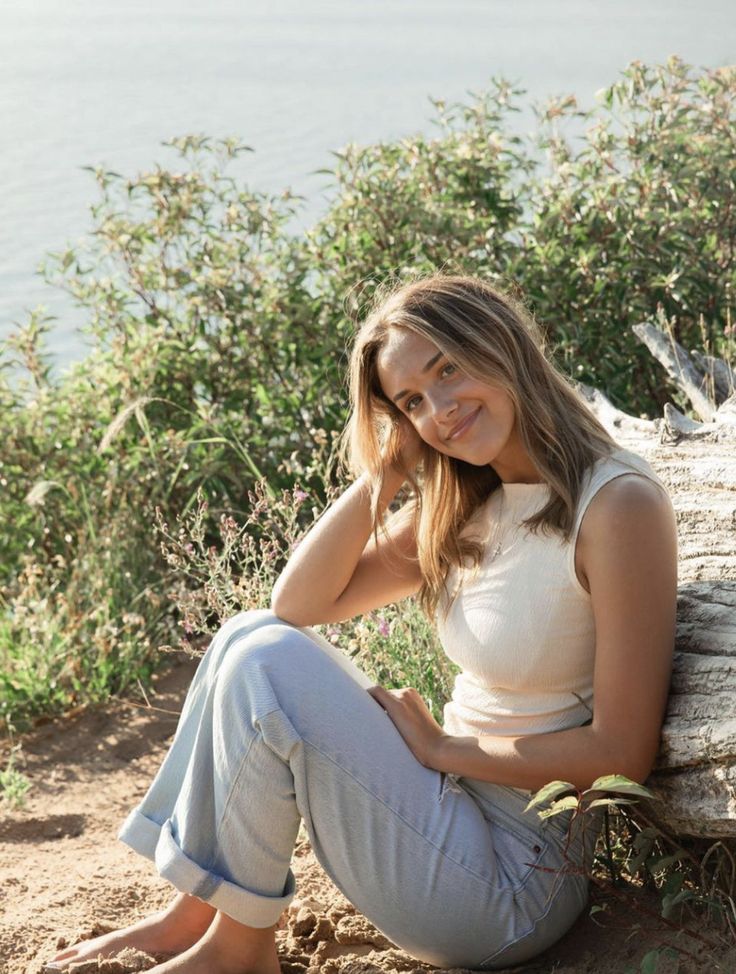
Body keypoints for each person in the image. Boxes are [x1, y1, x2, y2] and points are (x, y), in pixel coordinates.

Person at [47, 274, 678, 973]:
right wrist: (388, 470)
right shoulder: (471, 503)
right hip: (443, 817)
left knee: (267, 666)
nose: (440, 408)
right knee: (247, 636)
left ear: (500, 342)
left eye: (448, 369)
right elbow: (297, 604)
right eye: (413, 401)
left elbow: (623, 754)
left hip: (515, 881)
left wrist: (444, 751)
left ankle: (237, 951)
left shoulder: (616, 507)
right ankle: (198, 914)